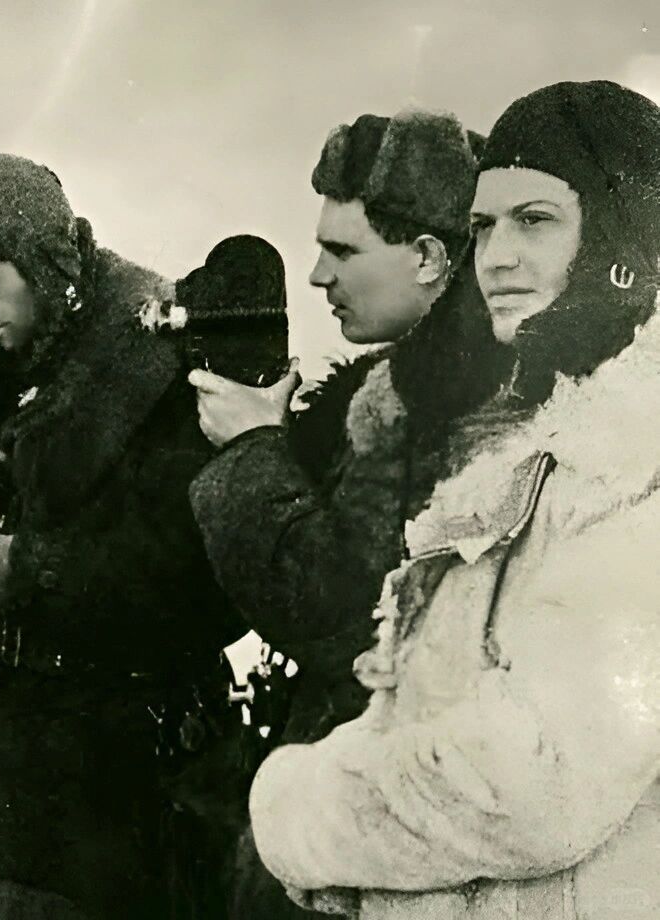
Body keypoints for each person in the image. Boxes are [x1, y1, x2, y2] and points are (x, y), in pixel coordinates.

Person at [250, 79, 660, 919]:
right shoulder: (540, 445)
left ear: (623, 233)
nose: (496, 257)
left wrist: (295, 803)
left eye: (535, 220)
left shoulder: (632, 462)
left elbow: (534, 782)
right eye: (483, 226)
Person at [0, 153, 250, 919]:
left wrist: (25, 568)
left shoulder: (168, 353)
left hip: (132, 770)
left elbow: (209, 586)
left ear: (46, 268)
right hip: (1, 764)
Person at [186, 109, 504, 919]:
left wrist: (253, 450)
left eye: (344, 251)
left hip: (375, 840)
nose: (317, 276)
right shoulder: (408, 392)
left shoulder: (440, 414)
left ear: (429, 257)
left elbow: (341, 616)